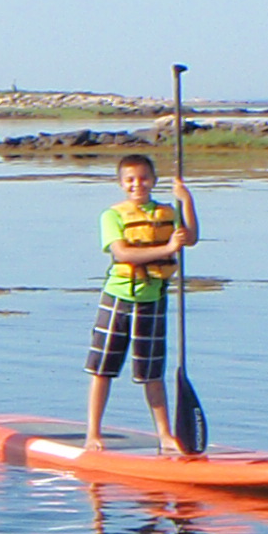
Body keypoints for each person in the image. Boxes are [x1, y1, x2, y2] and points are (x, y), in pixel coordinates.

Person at [83, 150, 200, 455]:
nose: (138, 184)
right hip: (118, 298)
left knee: (152, 372)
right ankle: (93, 433)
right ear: (122, 183)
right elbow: (123, 253)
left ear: (154, 180)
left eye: (144, 178)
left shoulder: (167, 211)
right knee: (103, 369)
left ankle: (165, 435)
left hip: (154, 299)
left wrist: (186, 201)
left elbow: (191, 238)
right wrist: (166, 248)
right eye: (131, 180)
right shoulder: (112, 215)